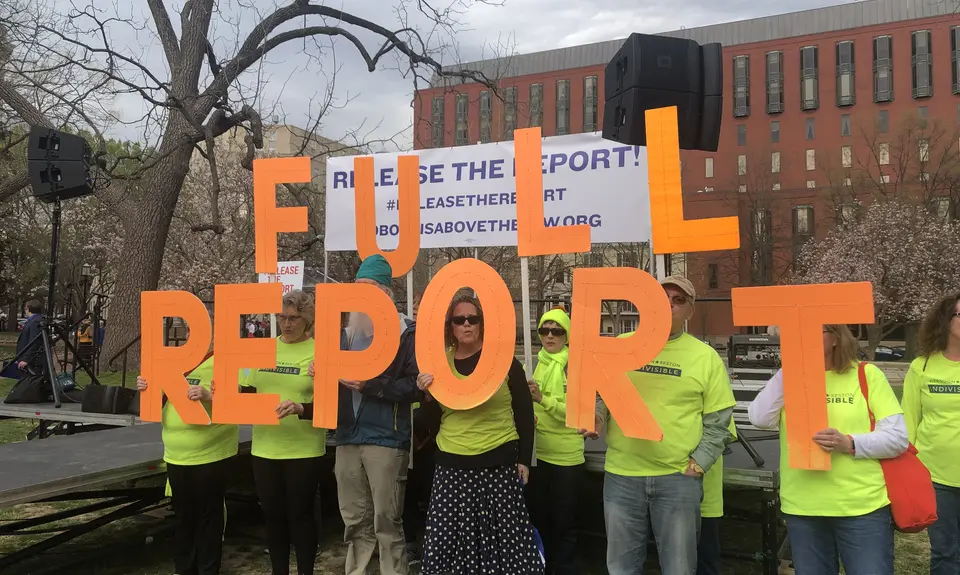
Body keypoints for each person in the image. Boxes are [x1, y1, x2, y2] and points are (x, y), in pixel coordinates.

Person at [582, 275, 735, 575]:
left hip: (676, 480)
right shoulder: (618, 348)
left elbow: (719, 423)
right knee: (622, 568)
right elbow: (601, 397)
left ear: (690, 311)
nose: (669, 305)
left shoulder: (706, 358)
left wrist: (697, 465)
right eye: (663, 297)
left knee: (679, 569)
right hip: (622, 477)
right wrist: (595, 416)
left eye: (679, 300)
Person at [748, 324, 908, 575]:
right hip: (804, 506)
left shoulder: (867, 375)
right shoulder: (791, 377)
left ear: (835, 338)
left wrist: (850, 443)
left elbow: (898, 438)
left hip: (860, 507)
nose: (802, 338)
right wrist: (789, 370)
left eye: (814, 329)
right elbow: (759, 418)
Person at [415, 292, 543, 575]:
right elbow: (429, 421)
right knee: (448, 545)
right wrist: (426, 395)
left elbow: (523, 412)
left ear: (482, 323)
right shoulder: (439, 366)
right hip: (452, 465)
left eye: (473, 318)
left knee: (506, 545)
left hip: (498, 464)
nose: (466, 325)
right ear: (450, 326)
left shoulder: (505, 362)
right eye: (459, 320)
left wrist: (524, 459)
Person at [331, 255, 419, 575]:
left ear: (385, 294)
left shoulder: (407, 332)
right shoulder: (345, 334)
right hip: (347, 436)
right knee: (354, 520)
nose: (361, 298)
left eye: (369, 290)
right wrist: (322, 372)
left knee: (386, 520)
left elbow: (416, 387)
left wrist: (373, 386)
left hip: (385, 438)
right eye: (357, 290)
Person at [135, 342, 240, 574]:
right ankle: (185, 569)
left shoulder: (224, 359)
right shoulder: (172, 361)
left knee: (208, 518)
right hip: (177, 455)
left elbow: (242, 400)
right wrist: (146, 387)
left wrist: (210, 396)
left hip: (212, 453)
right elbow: (158, 399)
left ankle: (208, 569)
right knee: (183, 517)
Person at [241, 289, 324, 575]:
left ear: (308, 320)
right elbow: (247, 393)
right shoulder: (263, 349)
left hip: (304, 449)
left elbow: (331, 406)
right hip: (265, 447)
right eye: (282, 317)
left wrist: (302, 408)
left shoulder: (320, 351)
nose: (287, 324)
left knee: (300, 516)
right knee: (272, 515)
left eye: (294, 318)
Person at [902, 293, 960, 575]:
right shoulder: (922, 366)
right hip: (936, 477)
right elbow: (909, 422)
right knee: (946, 552)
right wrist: (907, 473)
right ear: (947, 321)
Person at [526, 306, 583, 575]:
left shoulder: (575, 367)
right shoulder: (533, 362)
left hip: (567, 458)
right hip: (539, 456)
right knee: (540, 521)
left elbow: (577, 414)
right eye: (544, 330)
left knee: (565, 526)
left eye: (557, 331)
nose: (550, 336)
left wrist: (542, 400)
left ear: (566, 335)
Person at [697, 420, 736, 575]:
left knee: (705, 560)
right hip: (642, 489)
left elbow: (721, 432)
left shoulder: (715, 397)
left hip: (703, 497)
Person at [15, 300, 43, 373]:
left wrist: (26, 359)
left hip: (33, 362)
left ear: (28, 309)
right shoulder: (33, 320)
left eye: (25, 309)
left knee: (32, 382)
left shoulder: (35, 322)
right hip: (29, 359)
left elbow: (34, 342)